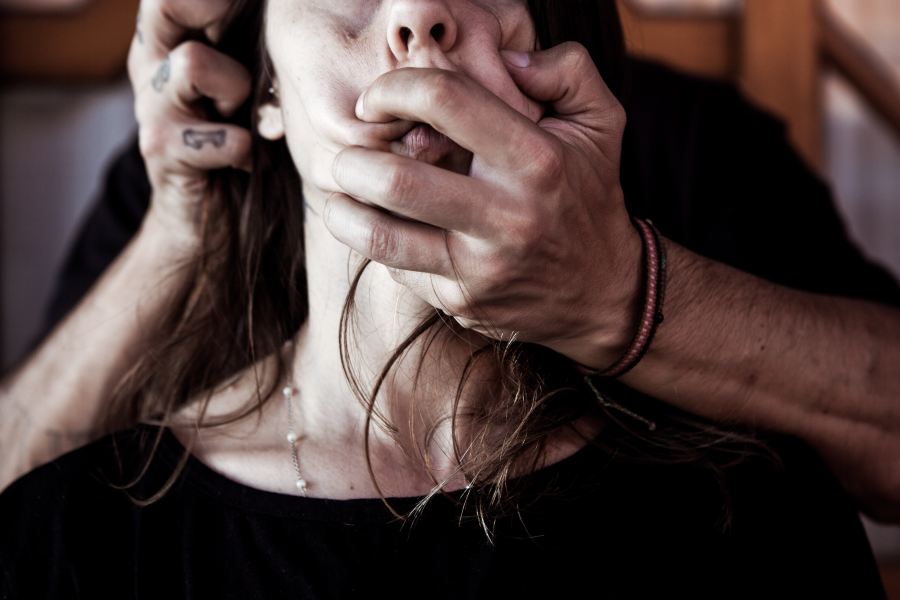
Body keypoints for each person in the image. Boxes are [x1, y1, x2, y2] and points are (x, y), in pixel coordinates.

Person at [0, 0, 896, 596]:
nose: (417, 15)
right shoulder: (72, 536)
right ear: (261, 85)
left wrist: (619, 287)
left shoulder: (751, 510)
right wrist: (185, 227)